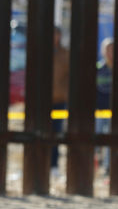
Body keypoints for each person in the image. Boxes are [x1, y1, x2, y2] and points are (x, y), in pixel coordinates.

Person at [51, 26, 69, 173]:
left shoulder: (65, 54)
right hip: (44, 101)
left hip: (59, 99)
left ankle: (54, 164)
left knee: (57, 132)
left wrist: (65, 92)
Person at [96, 37, 114, 174]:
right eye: (107, 50)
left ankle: (107, 166)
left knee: (110, 138)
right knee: (97, 139)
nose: (110, 53)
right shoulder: (98, 67)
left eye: (112, 50)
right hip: (99, 109)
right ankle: (96, 163)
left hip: (112, 109)